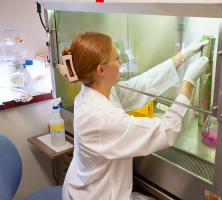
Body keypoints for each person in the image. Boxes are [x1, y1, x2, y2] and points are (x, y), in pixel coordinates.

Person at [58, 32, 209, 200]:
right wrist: (188, 84)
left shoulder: (90, 91)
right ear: (101, 70)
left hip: (86, 187)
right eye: (116, 58)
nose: (121, 62)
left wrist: (183, 56)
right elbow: (167, 129)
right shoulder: (103, 119)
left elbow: (141, 84)